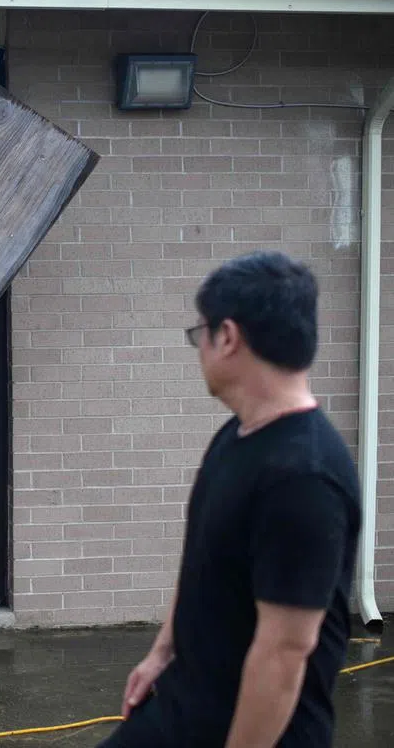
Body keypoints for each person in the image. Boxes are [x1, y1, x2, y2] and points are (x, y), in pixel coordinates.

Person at [100, 251, 360, 747]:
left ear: (228, 337)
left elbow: (284, 653)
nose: (198, 347)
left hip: (257, 730)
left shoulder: (304, 478)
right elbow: (202, 558)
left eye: (202, 332)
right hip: (186, 706)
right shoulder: (236, 436)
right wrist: (161, 652)